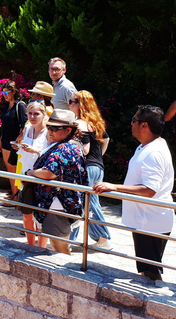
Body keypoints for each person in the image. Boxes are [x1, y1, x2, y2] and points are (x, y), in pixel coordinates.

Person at [94, 105, 174, 280]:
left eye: (134, 121)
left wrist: (114, 187)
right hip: (146, 220)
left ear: (144, 125)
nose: (131, 124)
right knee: (146, 269)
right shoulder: (147, 146)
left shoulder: (154, 152)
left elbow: (150, 189)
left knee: (151, 272)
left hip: (151, 221)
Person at [23, 109, 87, 254]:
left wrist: (30, 173)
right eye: (49, 127)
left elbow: (50, 172)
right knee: (57, 244)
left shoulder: (66, 148)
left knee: (59, 247)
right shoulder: (67, 143)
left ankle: (67, 275)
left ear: (68, 130)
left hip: (58, 204)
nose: (50, 131)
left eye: (55, 128)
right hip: (59, 203)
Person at [68, 91, 112, 249]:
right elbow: (105, 139)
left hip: (86, 167)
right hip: (97, 167)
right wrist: (99, 156)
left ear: (80, 105)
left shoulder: (79, 123)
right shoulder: (95, 122)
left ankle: (98, 239)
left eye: (72, 101)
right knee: (91, 203)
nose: (69, 104)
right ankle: (101, 239)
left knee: (80, 202)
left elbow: (84, 149)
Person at [16, 101, 49, 245]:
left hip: (41, 175)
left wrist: (35, 150)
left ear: (43, 115)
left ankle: (41, 247)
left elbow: (52, 154)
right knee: (27, 214)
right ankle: (30, 245)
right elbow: (24, 147)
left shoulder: (49, 132)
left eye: (36, 114)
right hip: (26, 173)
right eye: (30, 113)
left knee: (41, 216)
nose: (33, 116)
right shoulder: (28, 128)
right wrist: (19, 147)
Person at [0, 80, 27, 198]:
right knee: (9, 170)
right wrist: (0, 140)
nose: (5, 95)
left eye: (7, 92)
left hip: (14, 143)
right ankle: (14, 194)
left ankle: (16, 196)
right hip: (5, 141)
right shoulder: (6, 106)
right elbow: (4, 125)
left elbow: (25, 125)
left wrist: (18, 140)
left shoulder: (20, 105)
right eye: (3, 93)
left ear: (14, 91)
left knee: (14, 170)